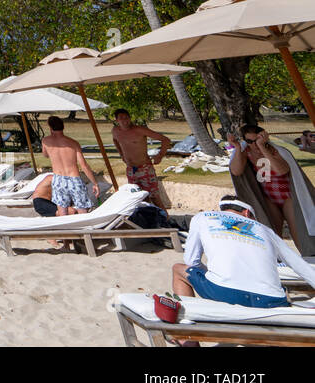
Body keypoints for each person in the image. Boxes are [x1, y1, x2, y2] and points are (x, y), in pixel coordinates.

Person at [172, 195, 315, 310]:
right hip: (270, 300)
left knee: (178, 269)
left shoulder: (202, 217)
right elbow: (299, 265)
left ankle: (189, 337)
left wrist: (211, 272)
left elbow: (191, 261)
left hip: (223, 293)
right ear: (247, 213)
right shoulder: (265, 230)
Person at [229, 124, 302, 243]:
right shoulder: (246, 152)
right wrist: (237, 147)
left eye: (256, 140)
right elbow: (236, 171)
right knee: (273, 234)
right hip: (269, 197)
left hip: (287, 196)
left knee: (298, 233)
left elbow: (281, 170)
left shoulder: (274, 151)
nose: (254, 144)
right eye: (250, 141)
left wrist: (262, 147)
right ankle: (278, 261)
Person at [110, 109, 171, 209]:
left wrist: (160, 155)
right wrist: (121, 154)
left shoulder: (139, 130)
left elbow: (165, 140)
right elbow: (115, 140)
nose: (125, 120)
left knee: (154, 197)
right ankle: (149, 220)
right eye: (121, 118)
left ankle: (166, 220)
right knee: (139, 198)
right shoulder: (115, 131)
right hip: (131, 169)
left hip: (145, 168)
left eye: (126, 117)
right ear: (117, 120)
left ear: (130, 118)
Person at [39, 116, 100, 215]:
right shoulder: (73, 143)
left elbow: (45, 155)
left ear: (50, 127)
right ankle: (85, 229)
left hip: (58, 179)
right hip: (74, 179)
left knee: (62, 212)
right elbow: (84, 165)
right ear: (63, 127)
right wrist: (95, 183)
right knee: (82, 210)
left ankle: (65, 230)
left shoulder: (46, 141)